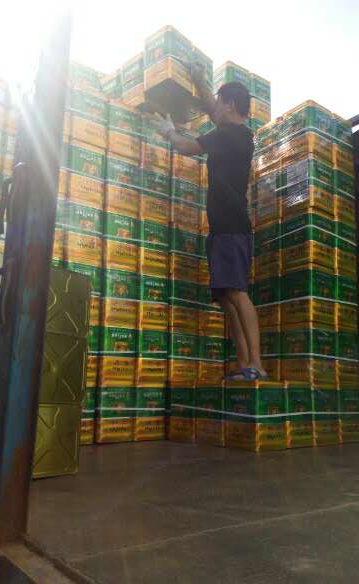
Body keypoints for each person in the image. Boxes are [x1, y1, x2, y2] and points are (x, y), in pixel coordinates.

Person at [152, 65, 267, 381]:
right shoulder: (232, 132)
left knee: (238, 292)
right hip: (220, 227)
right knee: (227, 297)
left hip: (232, 226)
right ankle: (244, 364)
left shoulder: (231, 135)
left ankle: (256, 364)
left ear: (230, 105)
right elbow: (213, 111)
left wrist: (169, 132)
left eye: (219, 102)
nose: (215, 106)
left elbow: (187, 147)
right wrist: (199, 80)